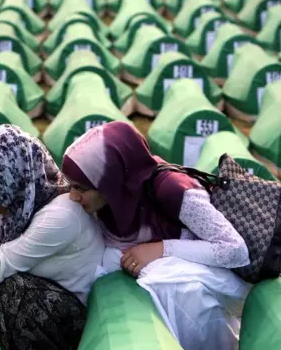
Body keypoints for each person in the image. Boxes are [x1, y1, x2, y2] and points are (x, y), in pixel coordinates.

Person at [61, 121, 251, 350]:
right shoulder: (113, 199)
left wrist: (161, 248)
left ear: (108, 179)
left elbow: (235, 250)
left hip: (221, 276)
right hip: (187, 268)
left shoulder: (172, 189)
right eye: (69, 186)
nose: (72, 196)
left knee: (165, 281)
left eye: (80, 188)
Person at [0, 124, 105, 350]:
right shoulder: (13, 209)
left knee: (10, 288)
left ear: (11, 183)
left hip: (72, 317)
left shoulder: (61, 216)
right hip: (46, 297)